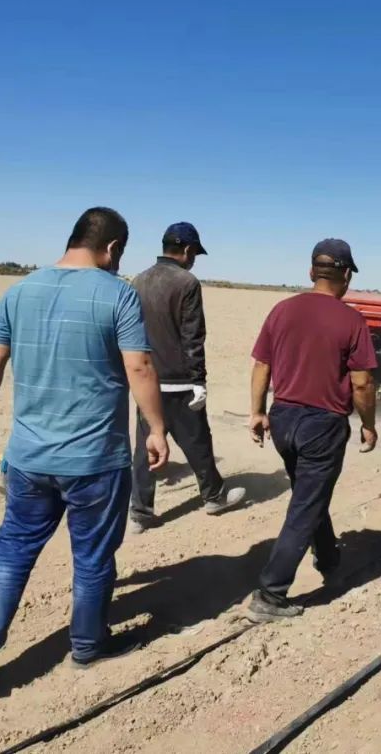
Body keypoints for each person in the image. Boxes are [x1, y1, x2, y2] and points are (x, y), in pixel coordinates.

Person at [0, 207, 170, 690]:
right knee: (92, 557)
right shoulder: (119, 295)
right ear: (112, 248)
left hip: (28, 458)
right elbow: (138, 368)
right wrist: (156, 428)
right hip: (95, 461)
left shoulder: (20, 290)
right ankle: (87, 649)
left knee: (11, 550)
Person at [245, 238, 378, 623]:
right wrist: (368, 425)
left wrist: (256, 412)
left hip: (283, 419)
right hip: (323, 425)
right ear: (347, 275)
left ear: (310, 272)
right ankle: (271, 593)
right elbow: (362, 384)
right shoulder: (351, 320)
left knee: (309, 492)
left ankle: (329, 557)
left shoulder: (282, 310)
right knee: (305, 505)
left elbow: (261, 367)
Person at [128, 222, 244, 532]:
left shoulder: (139, 280)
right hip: (179, 381)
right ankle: (214, 496)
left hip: (146, 381)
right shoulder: (187, 282)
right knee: (197, 441)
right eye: (195, 254)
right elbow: (193, 337)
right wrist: (199, 381)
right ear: (188, 250)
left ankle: (140, 512)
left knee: (145, 447)